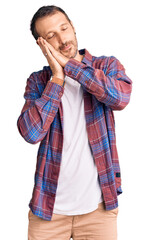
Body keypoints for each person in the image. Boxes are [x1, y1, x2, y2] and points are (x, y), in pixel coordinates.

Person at [17, 5, 132, 240]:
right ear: (42, 44)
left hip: (99, 210)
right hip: (47, 211)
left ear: (73, 27)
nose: (62, 39)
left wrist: (70, 67)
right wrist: (57, 78)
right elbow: (30, 133)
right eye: (51, 36)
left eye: (64, 28)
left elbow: (120, 98)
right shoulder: (39, 82)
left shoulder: (106, 67)